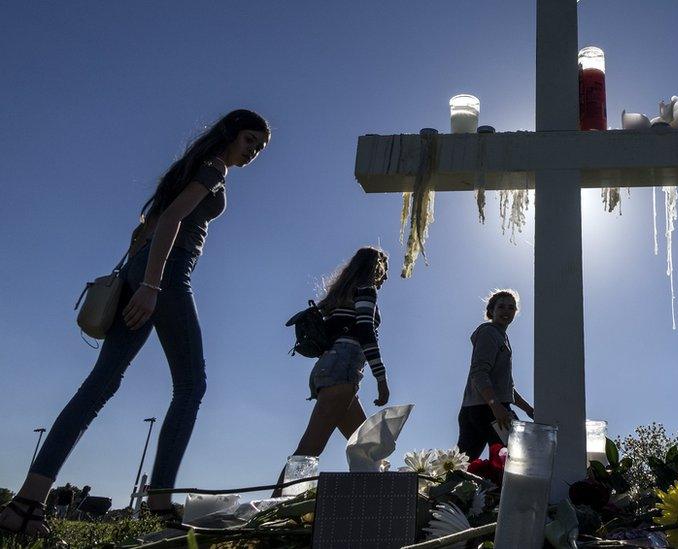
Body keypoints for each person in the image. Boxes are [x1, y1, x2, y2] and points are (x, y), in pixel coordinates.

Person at [0, 110, 271, 536]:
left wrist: (135, 276)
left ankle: (25, 505)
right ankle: (161, 506)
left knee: (101, 383)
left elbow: (143, 228)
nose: (254, 151)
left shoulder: (193, 166)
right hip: (166, 275)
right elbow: (170, 221)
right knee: (191, 385)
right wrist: (150, 285)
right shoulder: (213, 168)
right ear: (231, 134)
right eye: (250, 140)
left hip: (143, 271)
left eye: (260, 147)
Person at [273, 247, 391, 496]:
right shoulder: (365, 291)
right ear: (376, 268)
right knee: (309, 448)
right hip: (343, 369)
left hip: (330, 369)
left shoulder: (339, 294)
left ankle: (376, 505)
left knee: (368, 449)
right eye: (384, 270)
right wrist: (381, 377)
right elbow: (365, 331)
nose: (386, 278)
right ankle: (274, 509)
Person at [456, 289, 535, 461]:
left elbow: (507, 388)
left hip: (476, 409)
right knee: (516, 457)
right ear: (491, 311)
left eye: (511, 307)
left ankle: (447, 487)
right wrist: (496, 406)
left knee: (462, 465)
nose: (506, 311)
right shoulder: (488, 333)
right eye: (501, 307)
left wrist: (529, 409)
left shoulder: (502, 337)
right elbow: (479, 372)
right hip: (487, 410)